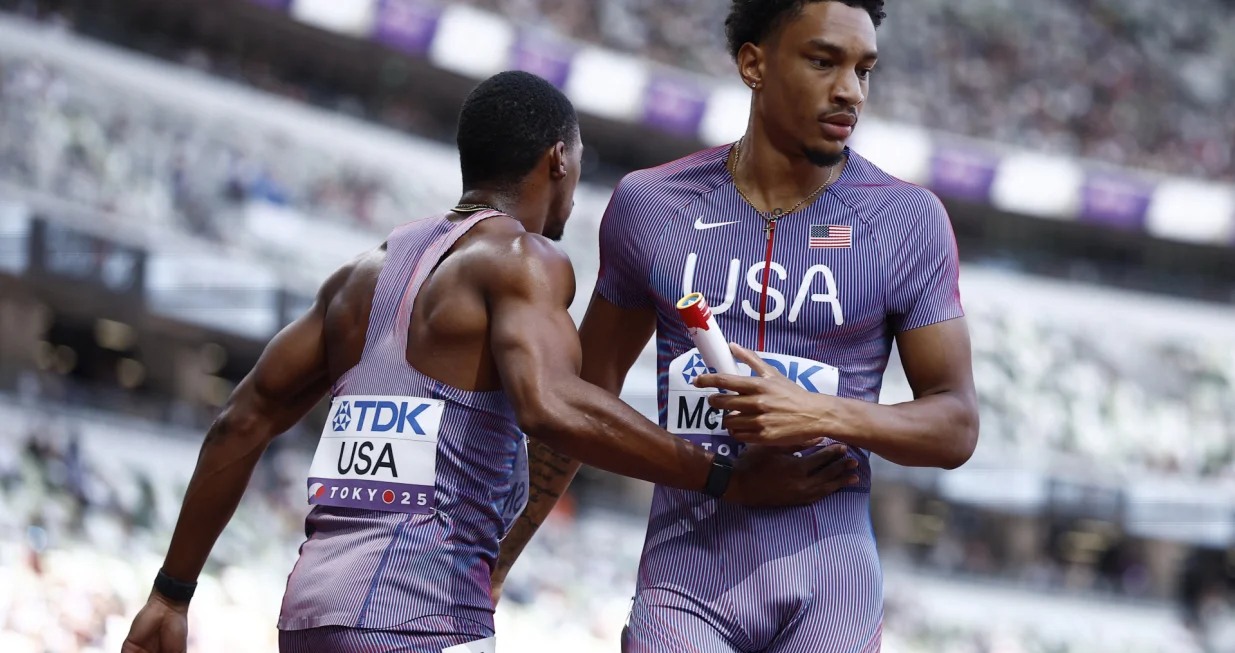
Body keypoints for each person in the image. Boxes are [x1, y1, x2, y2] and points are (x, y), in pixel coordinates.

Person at [121, 71, 855, 653]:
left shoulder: (357, 280)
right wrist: (727, 478)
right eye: (578, 169)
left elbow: (239, 422)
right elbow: (553, 406)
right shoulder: (524, 260)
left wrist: (171, 593)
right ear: (557, 160)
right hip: (423, 617)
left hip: (311, 616)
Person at [492, 2, 980, 652]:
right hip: (685, 579)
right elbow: (583, 403)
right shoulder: (650, 205)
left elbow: (955, 424)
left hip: (829, 588)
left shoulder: (906, 220)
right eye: (823, 61)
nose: (849, 91)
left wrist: (820, 413)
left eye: (864, 70)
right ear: (753, 62)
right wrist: (495, 566)